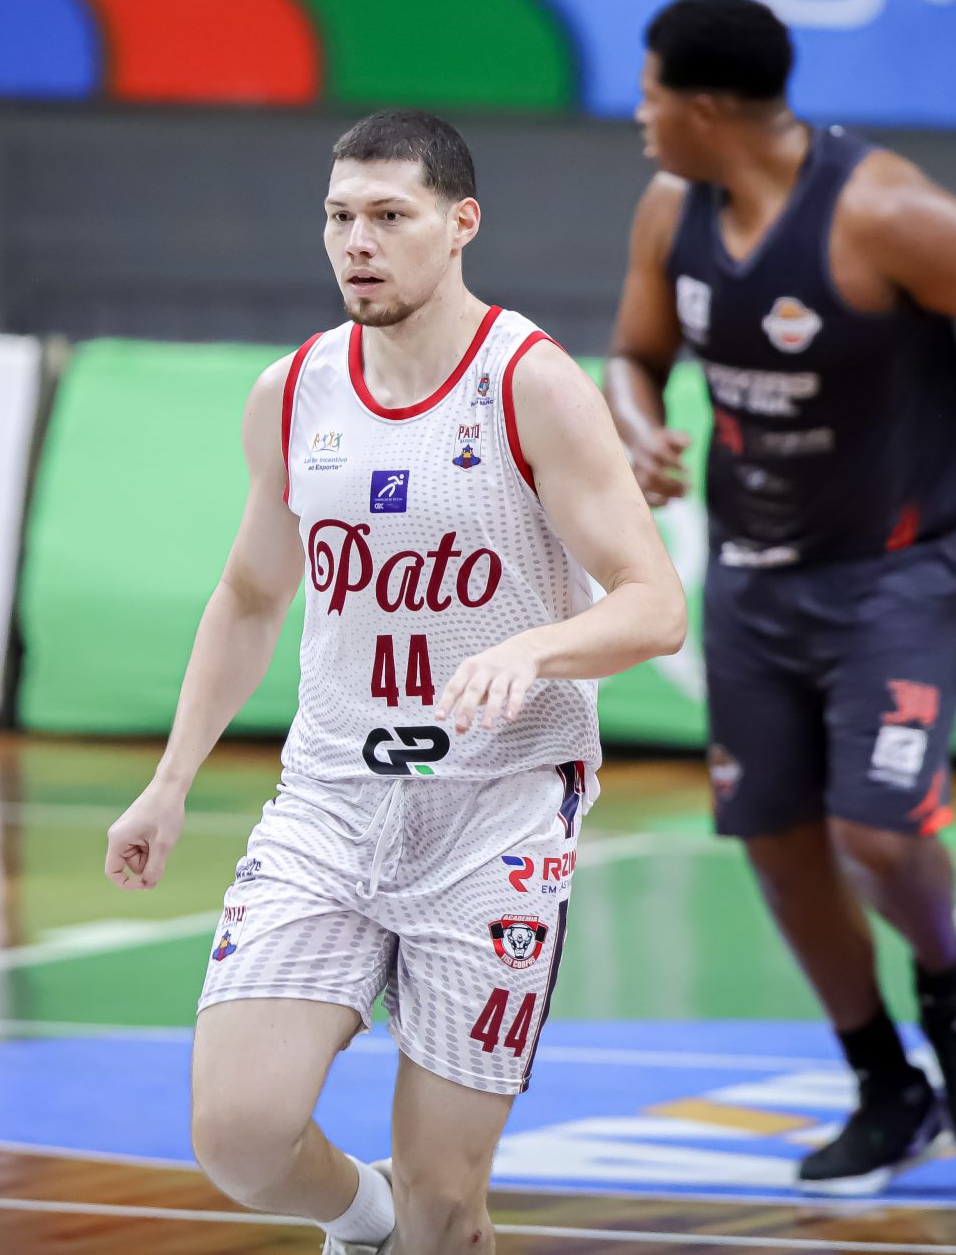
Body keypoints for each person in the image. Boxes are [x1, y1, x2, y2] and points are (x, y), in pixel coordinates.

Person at [104, 110, 686, 1255]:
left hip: (495, 813)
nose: (356, 243)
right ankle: (359, 1221)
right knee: (238, 1138)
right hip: (329, 800)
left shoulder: (530, 383)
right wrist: (168, 783)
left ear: (460, 224)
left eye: (388, 216)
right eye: (338, 217)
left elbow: (654, 606)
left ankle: (405, 1221)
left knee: (446, 1206)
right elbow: (250, 596)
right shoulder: (293, 391)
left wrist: (531, 649)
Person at [604, 0, 956, 1188]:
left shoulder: (884, 213)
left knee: (876, 826)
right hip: (750, 580)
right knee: (774, 843)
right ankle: (883, 1081)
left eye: (651, 95)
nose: (639, 117)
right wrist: (636, 425)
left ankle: (948, 981)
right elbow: (633, 356)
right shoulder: (669, 209)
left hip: (892, 577)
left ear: (708, 108)